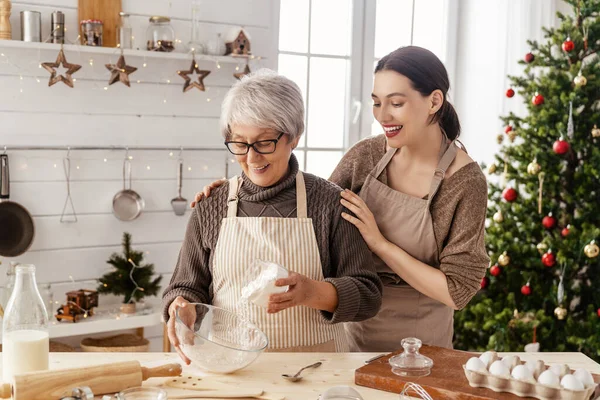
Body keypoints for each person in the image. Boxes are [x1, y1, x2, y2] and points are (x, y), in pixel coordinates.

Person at [191, 46, 489, 353]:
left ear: (434, 101)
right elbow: (313, 205)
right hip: (353, 331)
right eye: (376, 103)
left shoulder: (465, 182)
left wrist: (381, 244)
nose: (382, 116)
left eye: (396, 103)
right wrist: (238, 189)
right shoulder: (367, 156)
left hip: (422, 341)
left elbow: (458, 291)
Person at [163, 69, 382, 363]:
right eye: (240, 143)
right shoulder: (212, 205)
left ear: (294, 137)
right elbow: (186, 286)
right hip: (231, 365)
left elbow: (368, 295)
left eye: (264, 142)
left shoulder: (330, 203)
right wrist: (181, 306)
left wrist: (313, 293)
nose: (251, 158)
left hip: (315, 368)